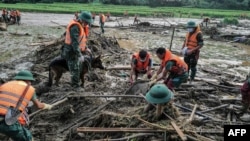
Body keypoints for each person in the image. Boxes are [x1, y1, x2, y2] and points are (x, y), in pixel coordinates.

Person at [0, 70, 53, 141]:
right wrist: (47, 106)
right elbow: (39, 105)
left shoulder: (5, 85)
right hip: (7, 121)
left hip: (4, 118)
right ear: (28, 80)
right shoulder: (28, 88)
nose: (30, 83)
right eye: (30, 81)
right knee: (28, 138)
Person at [61, 11, 93, 89]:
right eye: (86, 22)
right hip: (71, 52)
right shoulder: (75, 27)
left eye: (88, 23)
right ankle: (75, 87)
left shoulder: (80, 26)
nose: (87, 24)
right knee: (75, 70)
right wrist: (79, 55)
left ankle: (76, 83)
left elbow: (80, 40)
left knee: (78, 68)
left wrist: (85, 48)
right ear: (82, 20)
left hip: (76, 51)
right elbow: (74, 43)